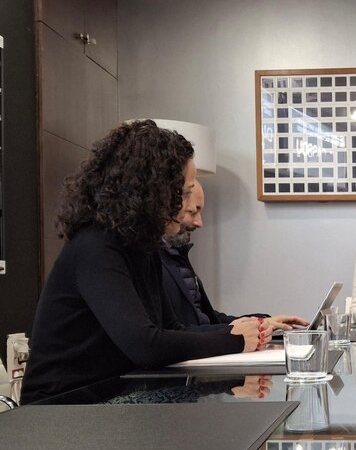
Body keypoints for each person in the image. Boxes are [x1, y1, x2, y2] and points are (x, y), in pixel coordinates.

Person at [21, 120, 270, 404]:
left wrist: (242, 329)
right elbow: (146, 345)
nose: (188, 203)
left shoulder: (142, 246)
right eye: (185, 191)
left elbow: (171, 329)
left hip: (114, 394)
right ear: (154, 192)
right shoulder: (96, 246)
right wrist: (235, 339)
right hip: (62, 411)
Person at [160, 180, 307, 330]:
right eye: (192, 212)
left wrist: (262, 323)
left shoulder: (178, 255)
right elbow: (172, 332)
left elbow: (205, 319)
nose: (199, 222)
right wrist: (231, 332)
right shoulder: (151, 262)